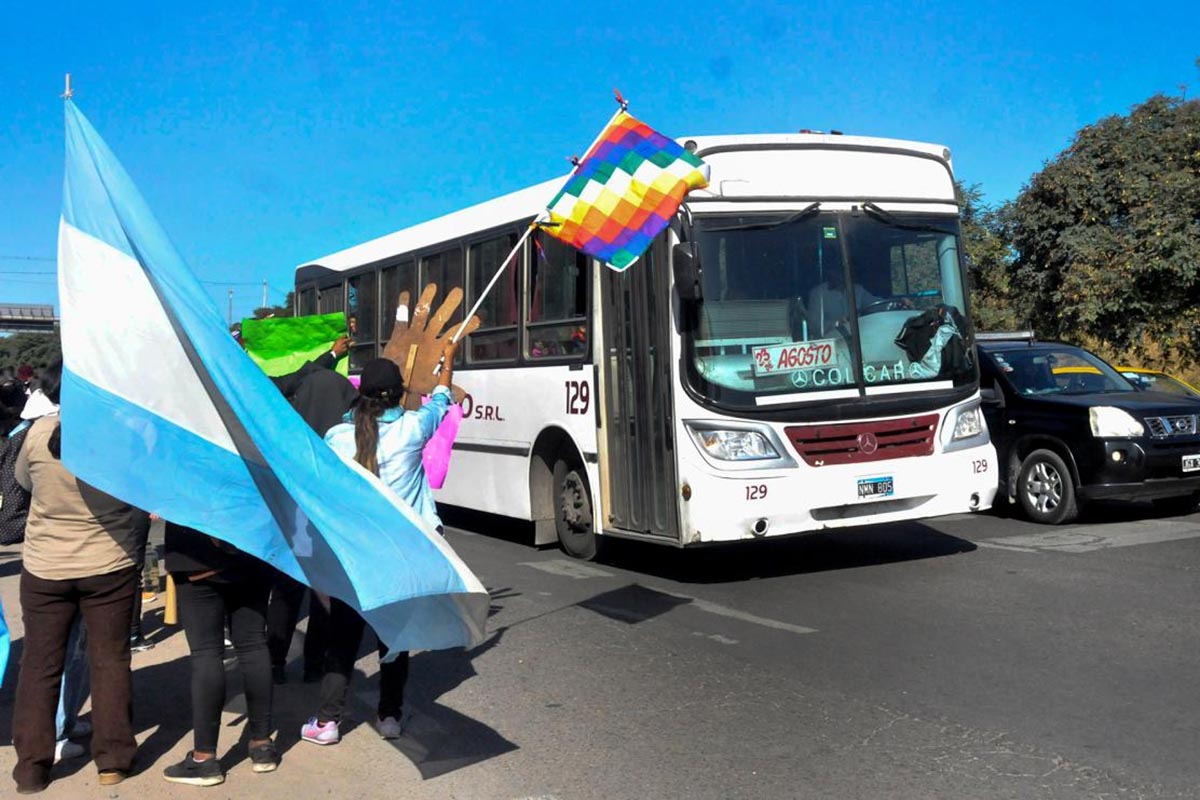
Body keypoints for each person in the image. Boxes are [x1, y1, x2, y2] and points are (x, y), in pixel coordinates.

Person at [301, 342, 457, 745]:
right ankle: (390, 716)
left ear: (361, 393)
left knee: (343, 638)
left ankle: (328, 722)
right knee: (394, 639)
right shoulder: (412, 429)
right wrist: (448, 364)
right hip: (399, 558)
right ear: (398, 393)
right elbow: (441, 401)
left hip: (355, 559)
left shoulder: (338, 437)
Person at [11, 360, 145, 793]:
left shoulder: (35, 435)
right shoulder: (123, 435)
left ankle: (32, 767)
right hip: (109, 564)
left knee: (39, 666)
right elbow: (141, 491)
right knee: (110, 662)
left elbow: (23, 485)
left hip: (46, 566)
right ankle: (113, 761)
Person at [161, 522, 279, 786]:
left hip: (195, 552)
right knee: (253, 644)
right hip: (253, 546)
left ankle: (204, 758)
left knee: (206, 652)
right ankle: (262, 745)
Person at [267, 365, 357, 684]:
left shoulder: (290, 431)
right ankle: (314, 664)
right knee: (324, 595)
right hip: (328, 524)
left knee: (286, 590)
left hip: (294, 520)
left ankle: (275, 661)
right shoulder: (346, 438)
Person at [807, 268, 879, 337]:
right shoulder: (818, 293)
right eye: (838, 269)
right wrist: (836, 324)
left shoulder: (857, 290)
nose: (840, 273)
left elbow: (876, 305)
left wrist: (888, 304)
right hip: (830, 343)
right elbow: (814, 325)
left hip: (857, 340)